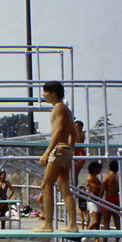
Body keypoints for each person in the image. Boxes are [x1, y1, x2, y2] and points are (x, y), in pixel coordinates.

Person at [32, 81, 78, 232]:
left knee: (46, 186)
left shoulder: (59, 107)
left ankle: (48, 224)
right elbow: (74, 133)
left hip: (58, 149)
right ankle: (72, 224)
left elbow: (58, 132)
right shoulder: (66, 109)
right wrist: (70, 151)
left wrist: (47, 153)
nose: (43, 94)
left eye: (45, 91)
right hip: (65, 149)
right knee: (64, 187)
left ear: (53, 92)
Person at [100, 161, 121, 242]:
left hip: (108, 199)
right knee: (117, 224)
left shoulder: (107, 177)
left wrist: (99, 199)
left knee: (106, 223)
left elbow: (102, 189)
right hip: (117, 199)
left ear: (109, 168)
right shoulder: (119, 178)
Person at [85, 162, 105, 242]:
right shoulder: (90, 179)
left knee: (98, 223)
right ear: (94, 168)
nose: (100, 170)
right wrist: (104, 185)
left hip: (98, 200)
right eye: (98, 168)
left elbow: (99, 189)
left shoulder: (97, 179)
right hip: (93, 201)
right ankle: (85, 236)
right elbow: (96, 189)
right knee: (95, 221)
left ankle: (97, 239)